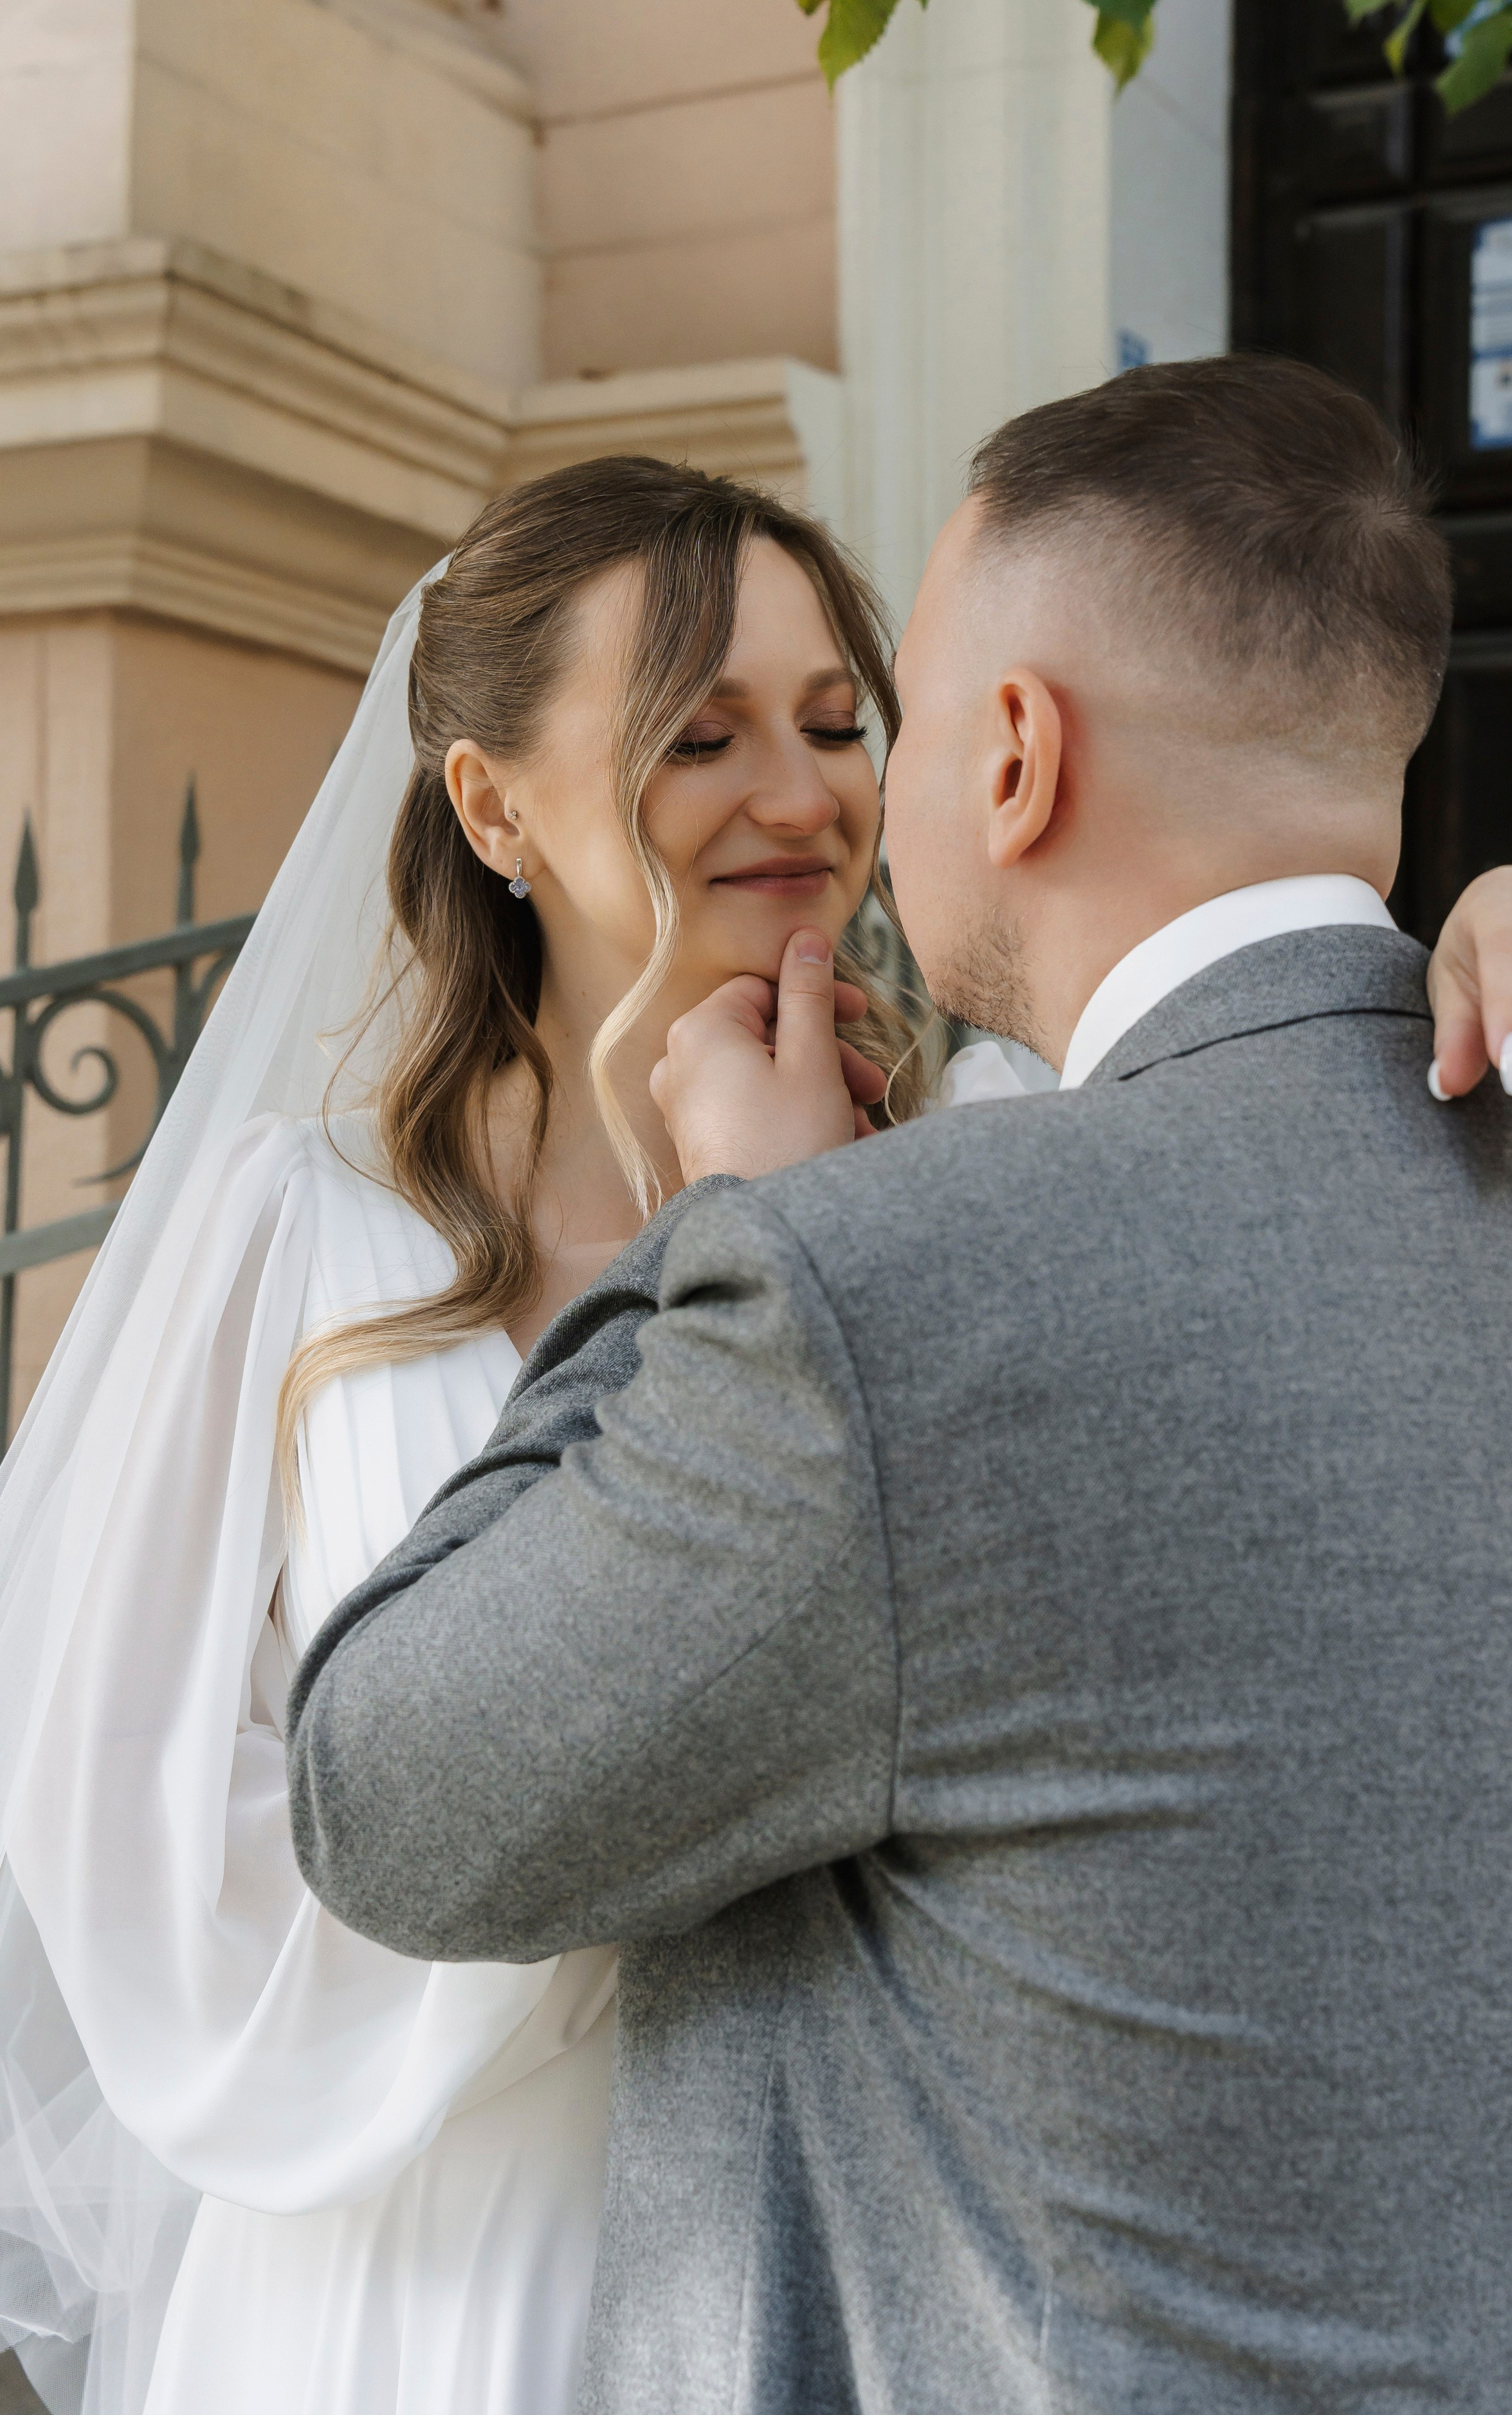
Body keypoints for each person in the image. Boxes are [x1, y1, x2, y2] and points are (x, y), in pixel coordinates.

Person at [288, 357, 1512, 2415]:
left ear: (1013, 754)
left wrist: (723, 1237)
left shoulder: (867, 1289)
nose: (833, 799)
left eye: (882, 717)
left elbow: (389, 1801)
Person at [0, 459, 919, 2415]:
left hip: (841, 2261)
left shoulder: (981, 1158)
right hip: (406, 2277)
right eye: (700, 736)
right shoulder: (296, 1232)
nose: (800, 793)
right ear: (492, 807)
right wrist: (593, 1900)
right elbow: (122, 1820)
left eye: (837, 722)